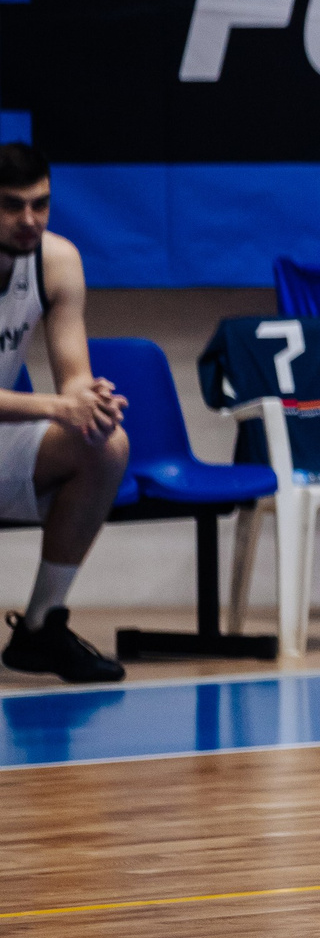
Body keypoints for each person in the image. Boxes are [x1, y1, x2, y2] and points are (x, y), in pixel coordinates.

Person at [0, 143, 132, 684]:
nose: (29, 220)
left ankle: (39, 629)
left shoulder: (57, 260)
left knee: (105, 444)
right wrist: (59, 406)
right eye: (11, 206)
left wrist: (88, 402)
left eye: (40, 204)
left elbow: (72, 373)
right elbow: (55, 400)